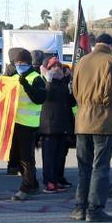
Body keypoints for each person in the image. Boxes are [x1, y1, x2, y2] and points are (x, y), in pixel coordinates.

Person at [70, 33, 112, 223]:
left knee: (83, 166)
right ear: (111, 45)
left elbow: (75, 90)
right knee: (100, 166)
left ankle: (80, 207)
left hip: (82, 119)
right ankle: (94, 209)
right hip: (103, 119)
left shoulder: (82, 61)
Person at [8, 49, 46, 201]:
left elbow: (39, 98)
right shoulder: (15, 77)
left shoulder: (36, 78)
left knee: (26, 158)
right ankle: (34, 184)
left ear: (29, 63)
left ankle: (26, 187)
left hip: (29, 125)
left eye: (21, 63)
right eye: (16, 63)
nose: (18, 66)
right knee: (18, 158)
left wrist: (26, 86)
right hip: (16, 123)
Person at [38, 56, 75, 193]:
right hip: (50, 125)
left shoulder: (63, 83)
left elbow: (71, 102)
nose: (57, 69)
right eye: (53, 66)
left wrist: (71, 84)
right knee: (49, 155)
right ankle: (49, 181)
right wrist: (48, 80)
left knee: (61, 155)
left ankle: (58, 178)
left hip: (63, 124)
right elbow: (46, 96)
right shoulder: (44, 81)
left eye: (58, 66)